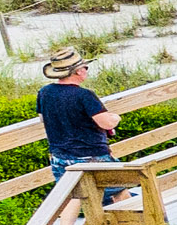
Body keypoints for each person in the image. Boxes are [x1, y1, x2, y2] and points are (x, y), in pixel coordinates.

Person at [35, 51, 118, 184]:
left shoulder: (45, 92)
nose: (86, 70)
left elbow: (43, 119)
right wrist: (115, 118)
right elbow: (106, 123)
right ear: (79, 71)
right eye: (85, 67)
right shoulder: (84, 95)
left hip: (59, 156)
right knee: (118, 191)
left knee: (74, 195)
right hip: (90, 155)